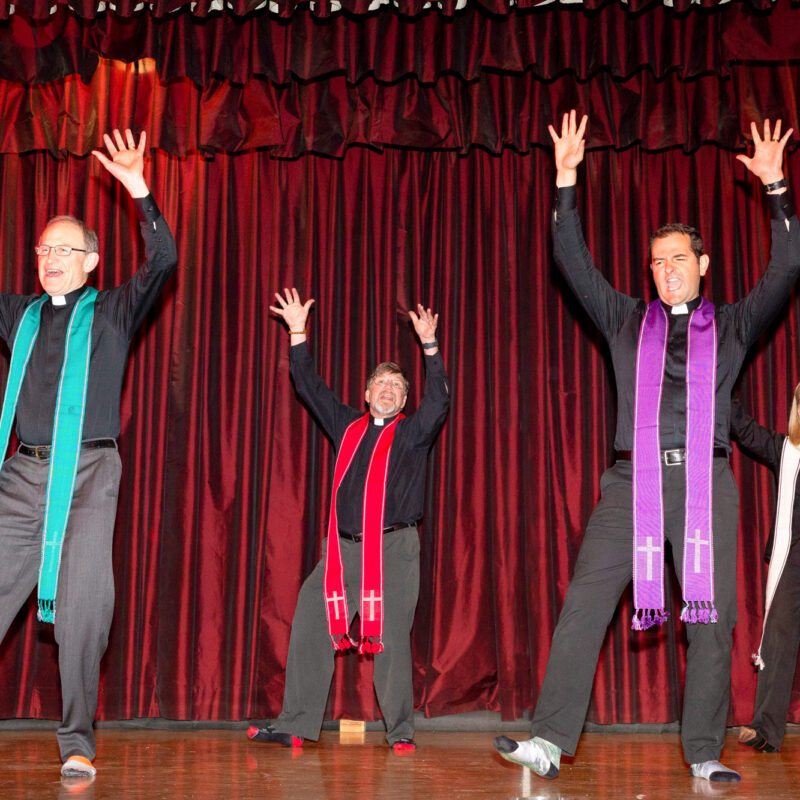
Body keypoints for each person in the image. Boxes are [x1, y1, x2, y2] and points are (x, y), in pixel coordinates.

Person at [493, 110, 800, 783]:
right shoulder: (627, 320)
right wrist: (566, 182)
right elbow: (572, 264)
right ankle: (548, 741)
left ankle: (703, 753)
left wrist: (777, 191)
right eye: (657, 263)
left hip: (706, 485)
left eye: (678, 260)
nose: (666, 271)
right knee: (584, 603)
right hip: (631, 486)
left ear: (704, 265)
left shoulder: (737, 325)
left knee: (711, 624)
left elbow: (787, 269)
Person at [0, 129, 177, 779]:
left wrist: (138, 189)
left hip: (91, 474)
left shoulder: (114, 311)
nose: (50, 256)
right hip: (21, 476)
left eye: (65, 248)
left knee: (85, 611)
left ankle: (77, 739)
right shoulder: (18, 315)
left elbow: (162, 260)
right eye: (44, 247)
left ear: (92, 262)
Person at [248, 288, 449, 750]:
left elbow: (438, 402)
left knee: (393, 642)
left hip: (393, 551)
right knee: (309, 627)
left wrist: (430, 348)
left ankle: (400, 733)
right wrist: (297, 332)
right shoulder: (346, 426)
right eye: (381, 384)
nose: (388, 390)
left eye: (397, 387)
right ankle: (297, 726)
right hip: (340, 552)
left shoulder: (413, 435)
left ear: (403, 401)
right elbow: (308, 386)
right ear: (366, 393)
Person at [731, 389, 800, 753]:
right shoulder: (784, 450)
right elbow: (743, 430)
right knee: (778, 641)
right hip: (792, 559)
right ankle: (766, 731)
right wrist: (722, 379)